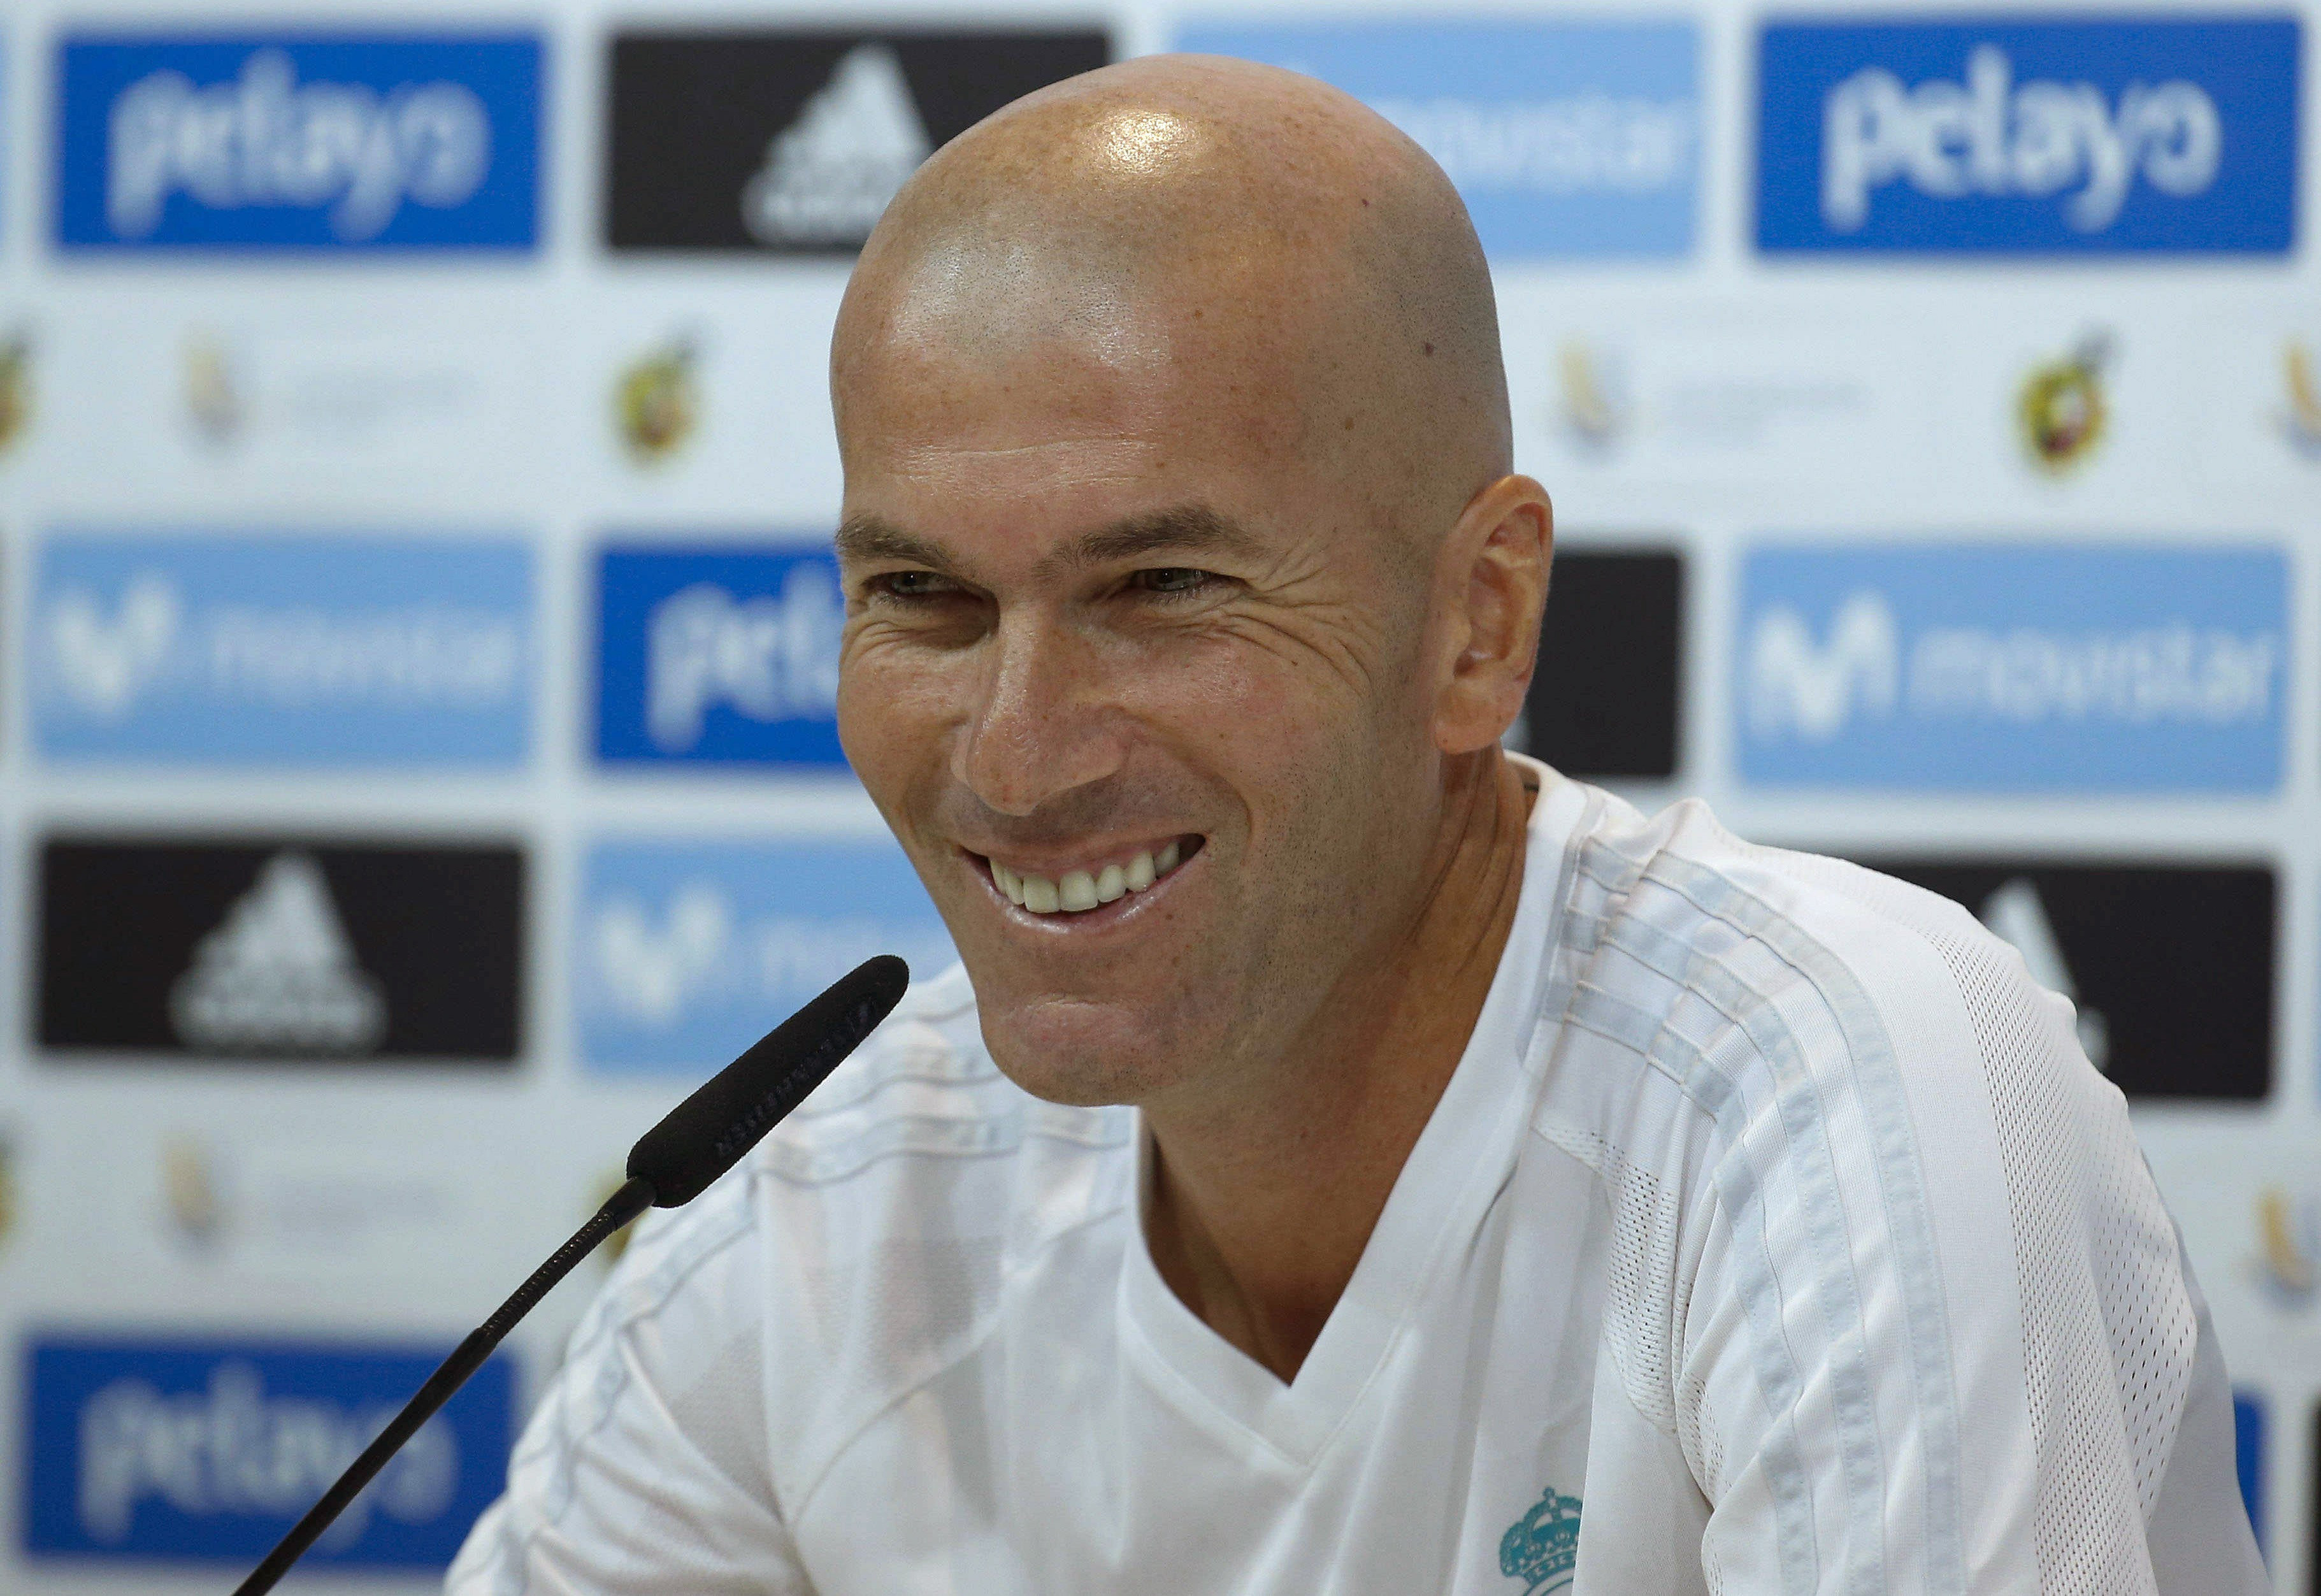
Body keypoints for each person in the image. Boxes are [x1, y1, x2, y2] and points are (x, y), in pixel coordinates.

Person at [450, 56, 2262, 1594]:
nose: (1015, 756)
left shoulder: (1834, 1096)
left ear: (1478, 621)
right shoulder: (824, 1202)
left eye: (1161, 587)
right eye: (922, 598)